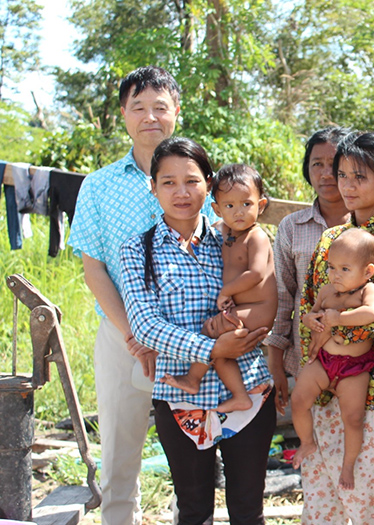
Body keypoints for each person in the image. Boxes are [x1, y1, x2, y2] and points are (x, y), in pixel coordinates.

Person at [67, 66, 213, 525]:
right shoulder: (99, 185)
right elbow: (94, 267)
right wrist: (137, 334)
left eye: (160, 107)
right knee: (119, 449)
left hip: (192, 339)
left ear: (176, 113)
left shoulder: (201, 176)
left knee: (196, 449)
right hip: (121, 337)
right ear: (124, 115)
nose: (150, 117)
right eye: (139, 107)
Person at [120, 137, 276, 524]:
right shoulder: (138, 250)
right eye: (168, 182)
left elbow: (268, 293)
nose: (181, 192)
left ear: (209, 185)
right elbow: (144, 325)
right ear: (152, 187)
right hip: (180, 401)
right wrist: (214, 349)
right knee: (192, 510)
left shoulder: (233, 239)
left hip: (249, 391)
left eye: (191, 181)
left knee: (247, 510)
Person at [299, 131, 374, 524]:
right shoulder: (330, 238)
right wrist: (321, 334)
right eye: (343, 175)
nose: (347, 186)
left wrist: (334, 327)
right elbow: (309, 304)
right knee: (324, 504)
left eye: (360, 177)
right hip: (325, 391)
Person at [160, 163, 277, 413]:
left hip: (259, 309)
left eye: (247, 204)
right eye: (230, 206)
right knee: (220, 349)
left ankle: (193, 379)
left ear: (261, 205)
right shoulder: (222, 232)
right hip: (243, 307)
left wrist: (227, 292)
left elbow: (256, 273)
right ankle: (240, 395)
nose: (239, 213)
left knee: (211, 329)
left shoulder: (256, 236)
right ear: (216, 209)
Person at [265, 127, 351, 414]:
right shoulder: (292, 226)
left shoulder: (369, 226)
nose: (326, 173)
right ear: (307, 169)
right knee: (314, 450)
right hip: (306, 362)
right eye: (317, 164)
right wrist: (275, 362)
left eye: (335, 164)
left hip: (361, 363)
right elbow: (282, 295)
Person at [291, 227, 374, 489]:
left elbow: (373, 313)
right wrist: (311, 319)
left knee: (353, 418)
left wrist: (339, 318)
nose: (335, 275)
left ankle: (348, 465)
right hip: (324, 360)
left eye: (345, 269)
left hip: (355, 367)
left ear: (367, 271)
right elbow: (312, 314)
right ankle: (307, 442)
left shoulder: (368, 291)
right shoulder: (326, 292)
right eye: (332, 267)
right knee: (298, 400)